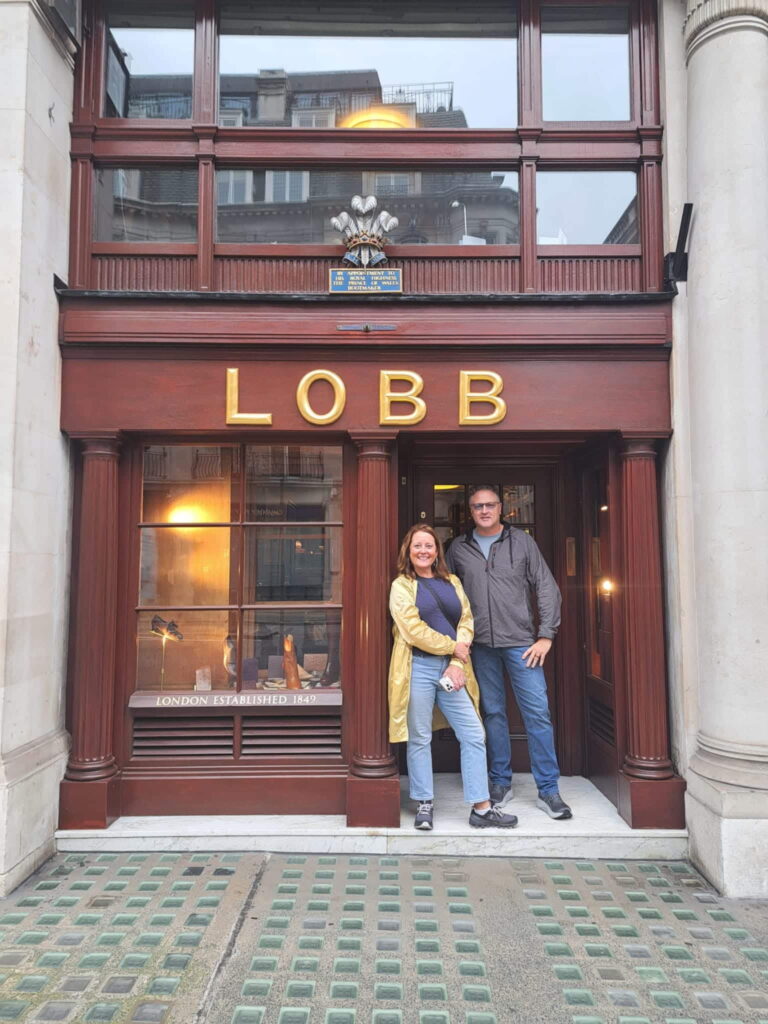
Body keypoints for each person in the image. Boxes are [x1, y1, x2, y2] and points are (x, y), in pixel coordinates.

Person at [446, 485, 572, 820]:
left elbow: (546, 587)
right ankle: (500, 781)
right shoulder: (458, 548)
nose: (484, 511)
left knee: (537, 715)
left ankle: (549, 790)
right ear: (469, 512)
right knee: (493, 714)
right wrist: (453, 644)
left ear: (501, 508)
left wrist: (545, 635)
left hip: (521, 644)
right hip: (480, 646)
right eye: (477, 507)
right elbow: (446, 596)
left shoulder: (522, 542)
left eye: (489, 505)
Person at [388, 524, 519, 831]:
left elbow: (466, 620)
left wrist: (456, 661)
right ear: (408, 550)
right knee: (419, 737)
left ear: (437, 552)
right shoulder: (402, 585)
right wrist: (453, 648)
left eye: (429, 546)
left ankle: (482, 808)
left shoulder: (452, 581)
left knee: (473, 734)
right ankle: (423, 803)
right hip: (417, 668)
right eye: (417, 546)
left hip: (452, 669)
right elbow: (411, 629)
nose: (423, 551)